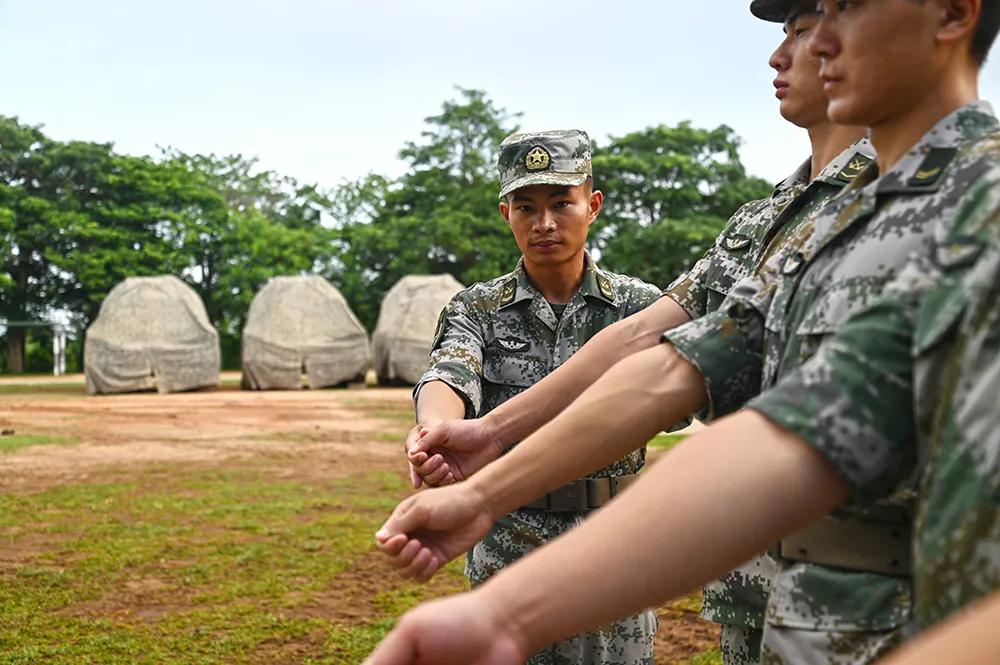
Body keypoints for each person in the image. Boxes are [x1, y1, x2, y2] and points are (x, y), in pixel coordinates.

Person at [377, 0, 1000, 662]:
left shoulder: (974, 209)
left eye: (845, 8)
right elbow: (769, 421)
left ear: (951, 13)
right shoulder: (836, 221)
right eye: (812, 20)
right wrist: (500, 597)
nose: (813, 43)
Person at [409, 128, 664, 664]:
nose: (544, 223)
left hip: (613, 542)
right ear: (507, 215)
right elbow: (450, 373)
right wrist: (434, 430)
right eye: (526, 207)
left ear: (592, 206)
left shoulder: (640, 307)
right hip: (510, 544)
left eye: (561, 203)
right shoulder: (477, 308)